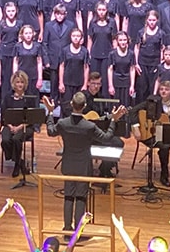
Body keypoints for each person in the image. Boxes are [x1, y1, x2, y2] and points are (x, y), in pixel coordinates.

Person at [43, 91, 125, 230]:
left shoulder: (63, 123)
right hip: (83, 167)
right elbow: (106, 137)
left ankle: (67, 228)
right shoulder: (89, 127)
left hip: (68, 165)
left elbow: (51, 131)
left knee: (68, 196)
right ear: (85, 106)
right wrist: (113, 121)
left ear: (71, 104)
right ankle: (77, 231)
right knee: (81, 198)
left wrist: (50, 113)